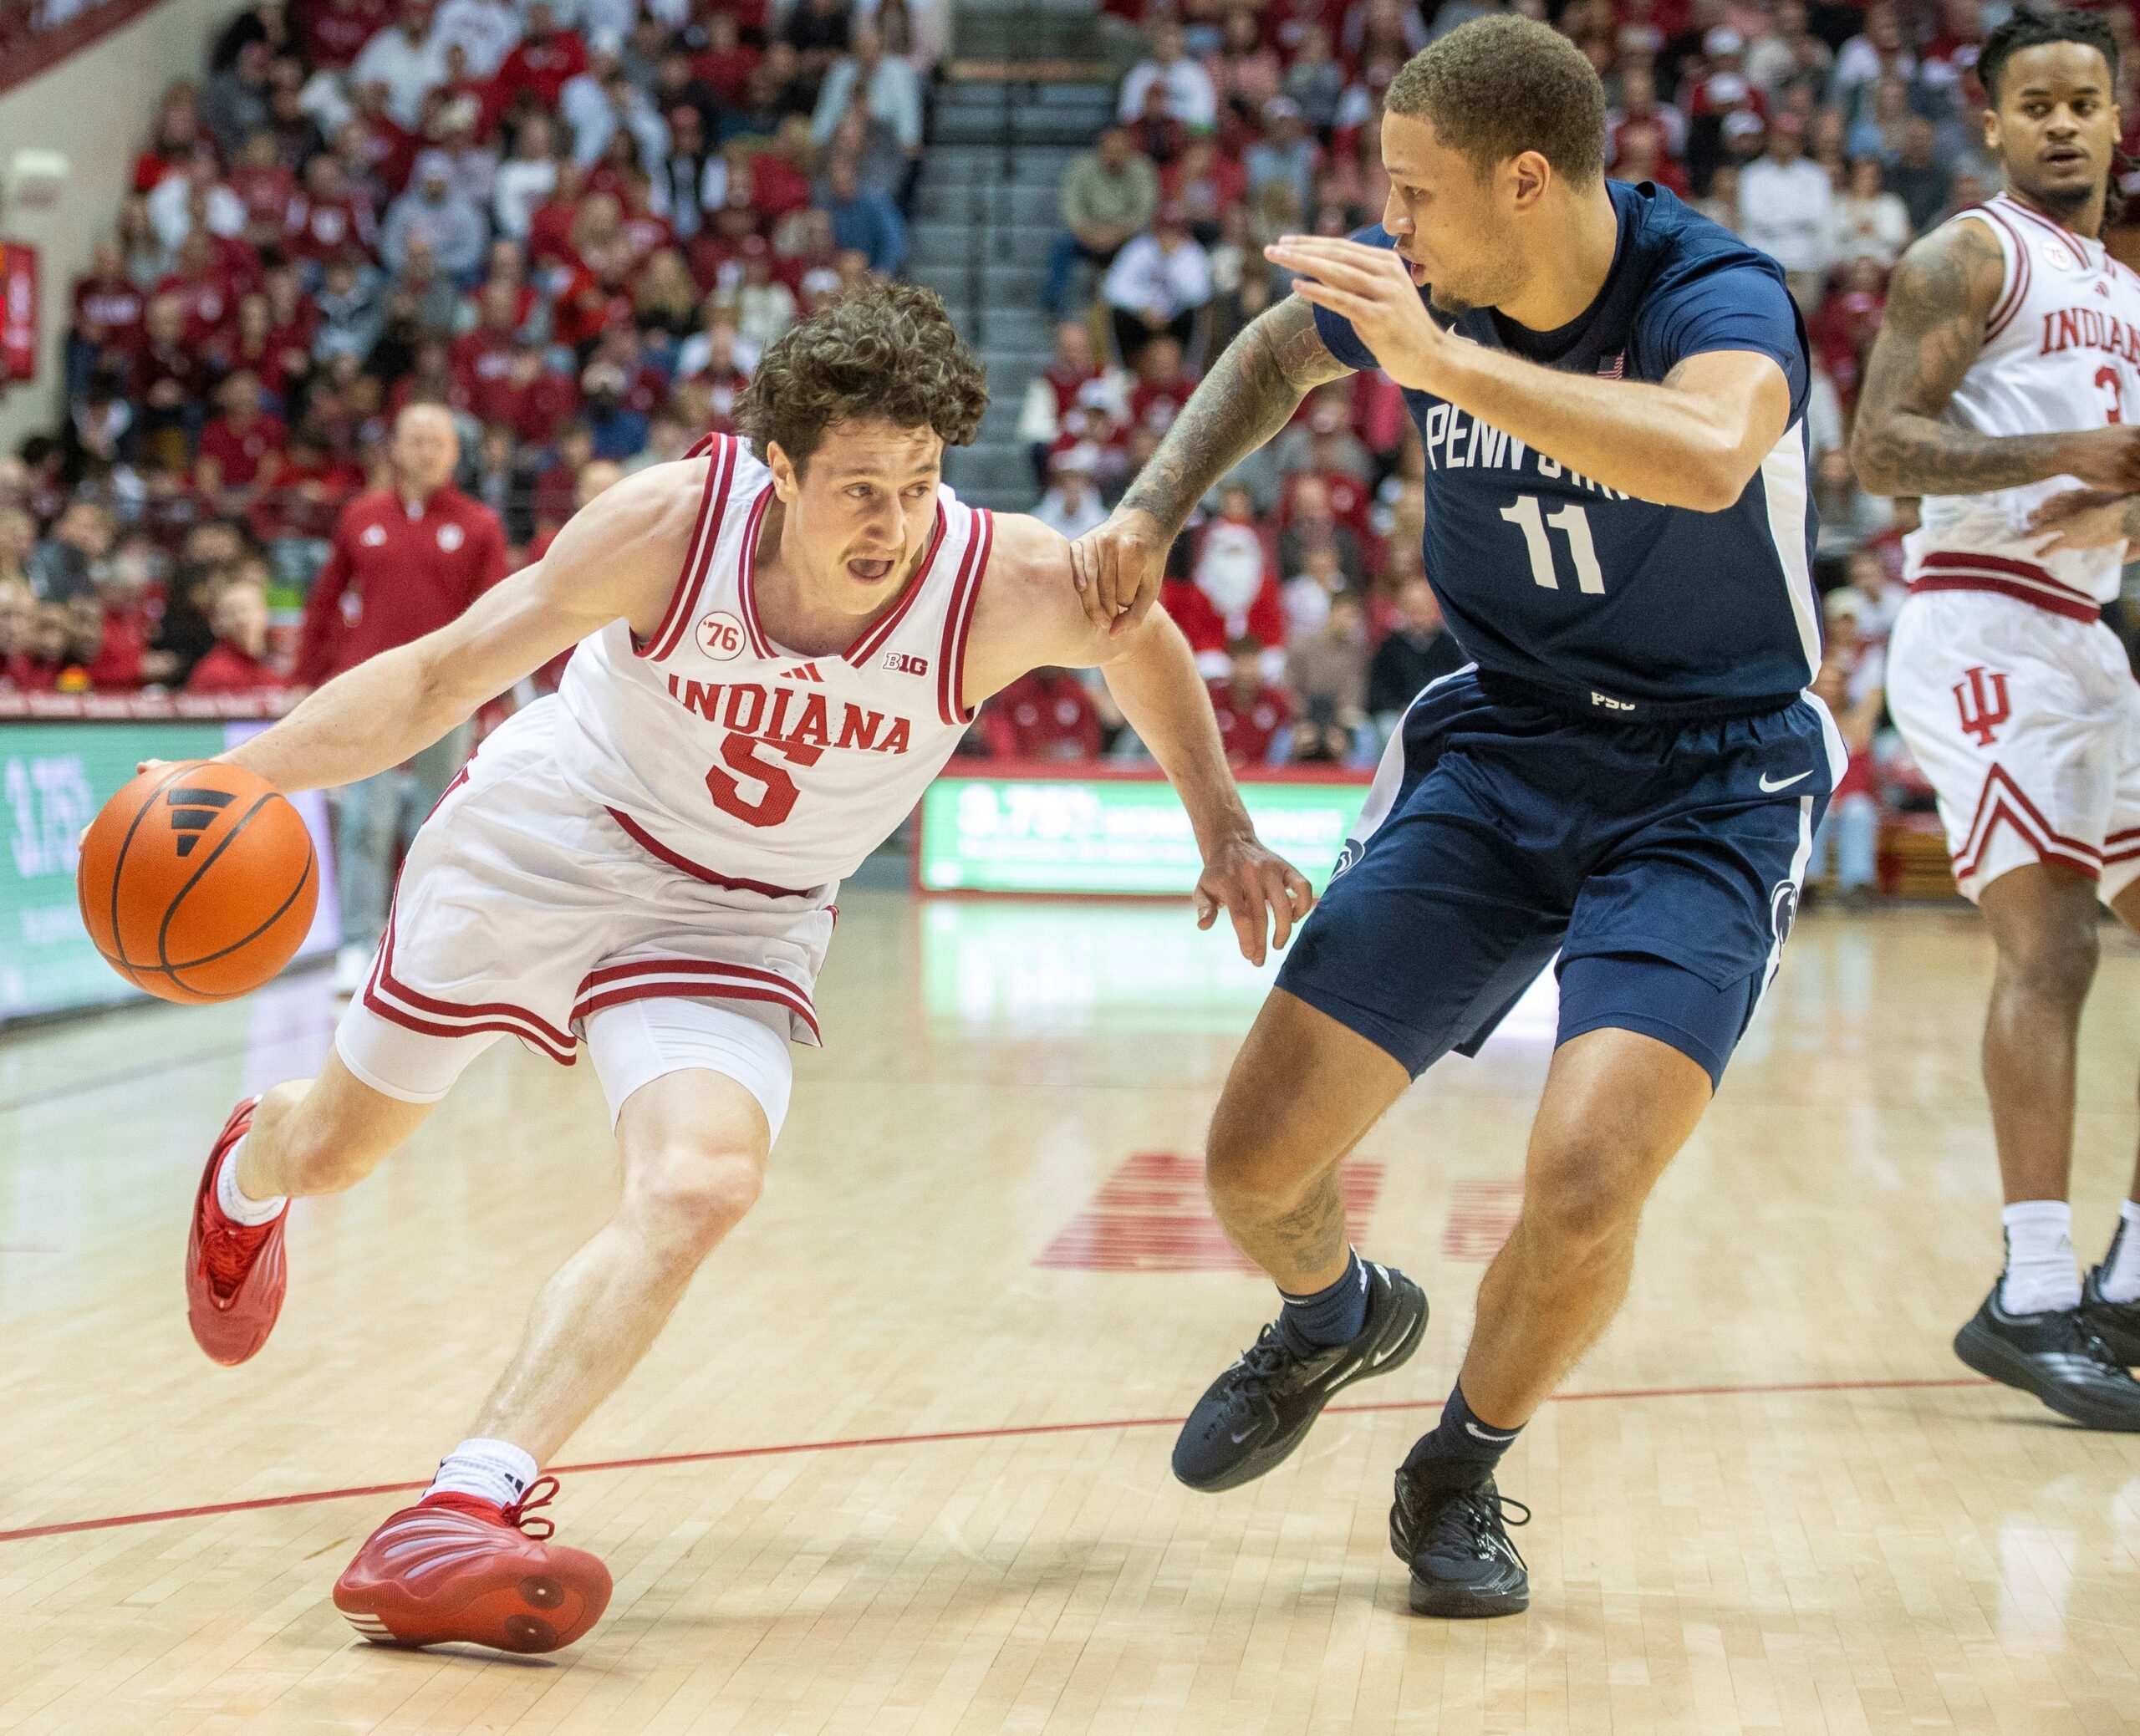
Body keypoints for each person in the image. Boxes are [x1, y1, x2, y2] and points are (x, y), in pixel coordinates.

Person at [180, 283, 1310, 1656]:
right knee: (345, 1147)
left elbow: (1142, 643)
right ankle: (255, 1165)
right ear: (777, 469)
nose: (892, 523)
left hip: (741, 915)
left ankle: (464, 1503)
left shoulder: (992, 577)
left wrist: (1227, 827)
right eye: (856, 489)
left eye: (918, 481)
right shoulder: (672, 525)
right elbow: (437, 675)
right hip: (559, 834)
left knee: (704, 1179)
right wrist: (232, 778)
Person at [1073, 17, 1846, 1617]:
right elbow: (1286, 351)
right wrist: (1157, 499)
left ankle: (1458, 1465)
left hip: (1713, 776)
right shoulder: (1424, 281)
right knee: (1251, 1166)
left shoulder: (1714, 289)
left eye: (1415, 200)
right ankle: (1331, 1313)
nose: (1393, 231)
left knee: (1584, 1179)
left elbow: (1711, 455)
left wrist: (1443, 365)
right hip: (1500, 745)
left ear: (1528, 179)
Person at [1850, 9, 2140, 1428]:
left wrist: (2122, 495)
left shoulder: (2125, 283)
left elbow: (2117, 483)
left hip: (2089, 632)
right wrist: (2057, 451)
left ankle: (2133, 1279)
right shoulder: (1970, 253)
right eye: (2040, 103)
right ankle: (2032, 1292)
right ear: (1995, 120)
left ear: (2119, 109)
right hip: (1980, 618)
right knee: (2056, 947)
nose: (2067, 123)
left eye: (2088, 99)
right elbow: (1879, 444)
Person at [296, 405, 510, 996]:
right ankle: (357, 943)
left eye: (437, 441)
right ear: (395, 447)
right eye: (415, 440)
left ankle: (418, 944)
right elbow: (326, 599)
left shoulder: (479, 524)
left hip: (446, 694)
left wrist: (487, 691)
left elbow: (497, 614)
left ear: (453, 451)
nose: (426, 451)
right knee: (367, 817)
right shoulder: (361, 517)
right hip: (370, 692)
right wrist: (311, 672)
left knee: (437, 822)